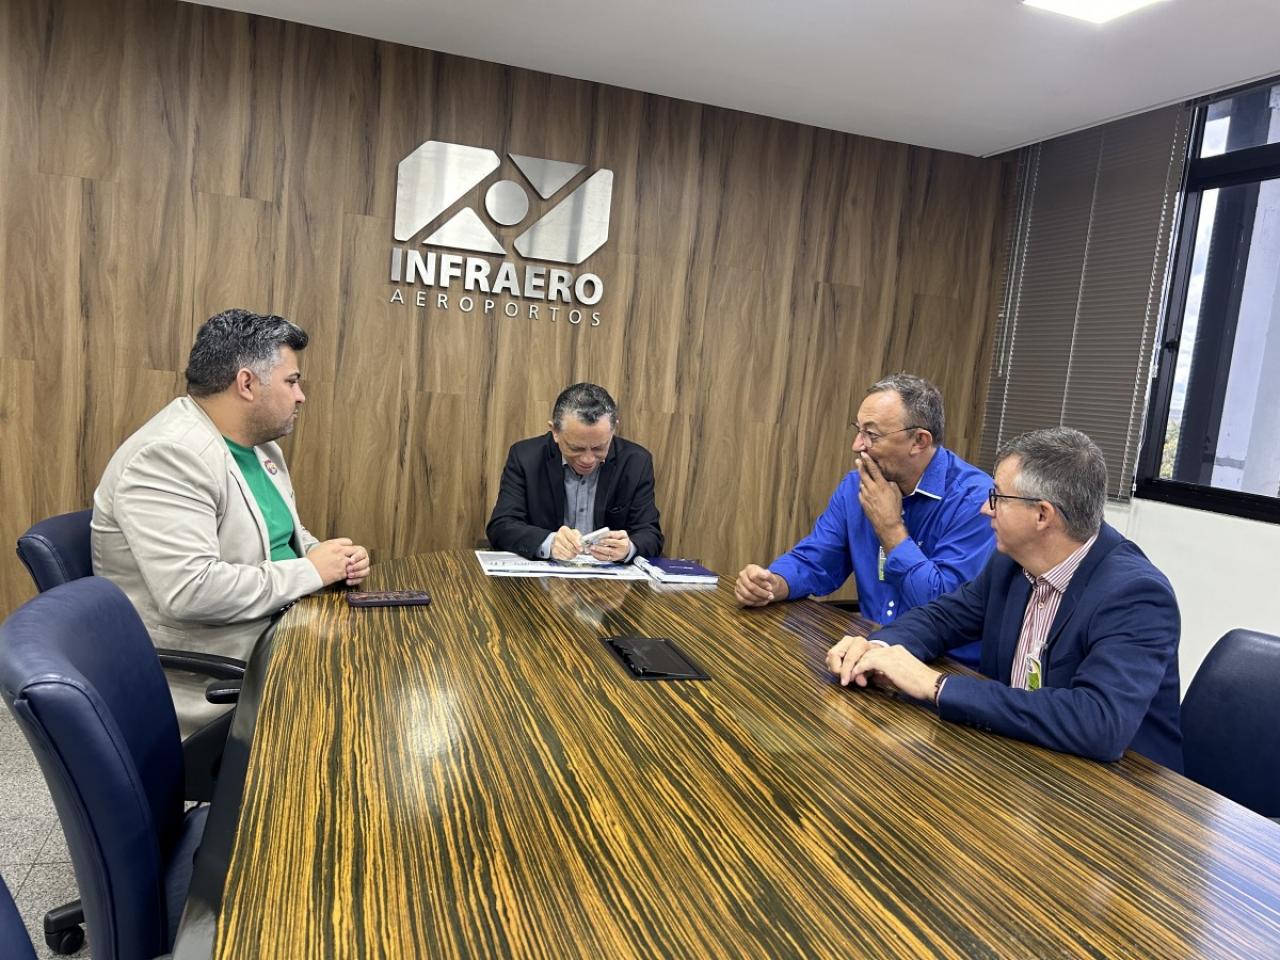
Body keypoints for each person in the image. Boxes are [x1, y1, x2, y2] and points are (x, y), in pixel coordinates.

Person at [825, 427, 1182, 770]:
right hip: (1019, 760)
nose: (985, 508)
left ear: (1042, 514)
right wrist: (877, 649)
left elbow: (1098, 723)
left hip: (1117, 794)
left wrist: (934, 685)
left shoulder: (1136, 595)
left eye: (997, 497)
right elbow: (942, 618)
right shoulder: (1011, 562)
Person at [92, 309, 370, 732]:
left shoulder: (259, 448)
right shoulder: (169, 455)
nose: (300, 396)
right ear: (246, 383)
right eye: (292, 382)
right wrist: (312, 571)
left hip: (278, 628)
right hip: (214, 673)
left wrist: (325, 555)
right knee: (368, 703)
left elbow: (279, 534)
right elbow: (191, 591)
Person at [736, 374, 994, 641]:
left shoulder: (977, 501)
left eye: (871, 434)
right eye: (858, 430)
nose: (857, 445)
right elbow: (817, 560)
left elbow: (944, 612)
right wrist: (774, 583)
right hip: (870, 646)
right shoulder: (856, 486)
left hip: (941, 659)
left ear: (919, 441)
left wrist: (891, 528)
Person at [486, 383, 663, 562]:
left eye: (599, 448)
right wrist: (549, 542)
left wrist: (629, 548)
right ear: (555, 431)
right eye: (576, 448)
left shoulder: (636, 462)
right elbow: (502, 526)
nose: (588, 459)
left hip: (609, 574)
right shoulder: (526, 457)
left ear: (613, 430)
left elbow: (650, 534)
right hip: (544, 574)